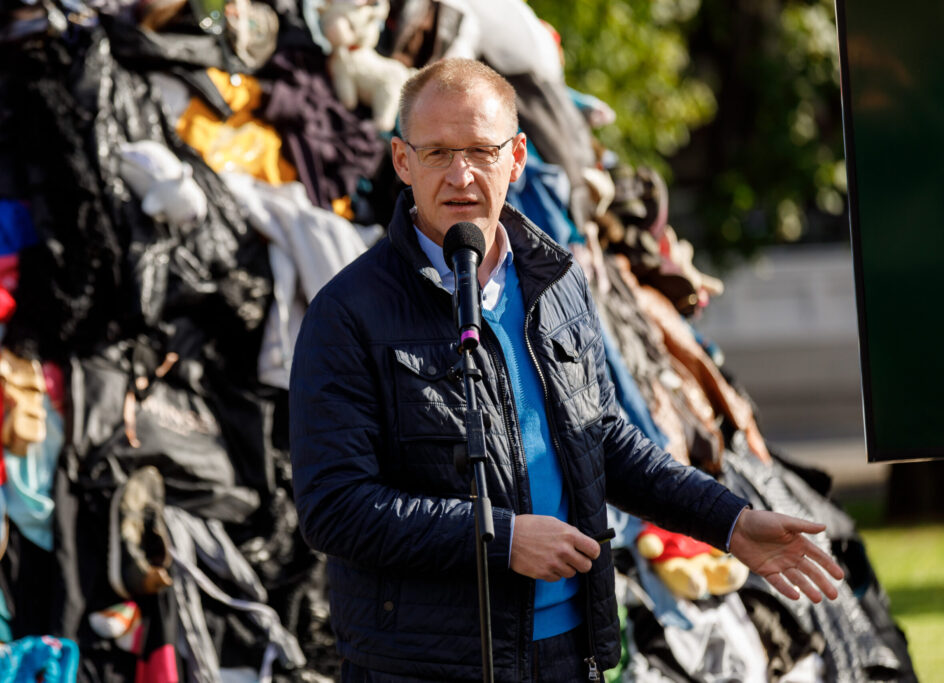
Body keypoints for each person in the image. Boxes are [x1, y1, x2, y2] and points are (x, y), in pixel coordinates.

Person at [289, 58, 844, 682]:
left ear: (518, 157)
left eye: (480, 149)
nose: (461, 174)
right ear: (401, 161)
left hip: (569, 652)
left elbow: (600, 440)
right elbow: (335, 507)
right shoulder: (346, 313)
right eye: (437, 152)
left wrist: (729, 521)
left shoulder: (556, 281)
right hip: (424, 665)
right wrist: (499, 539)